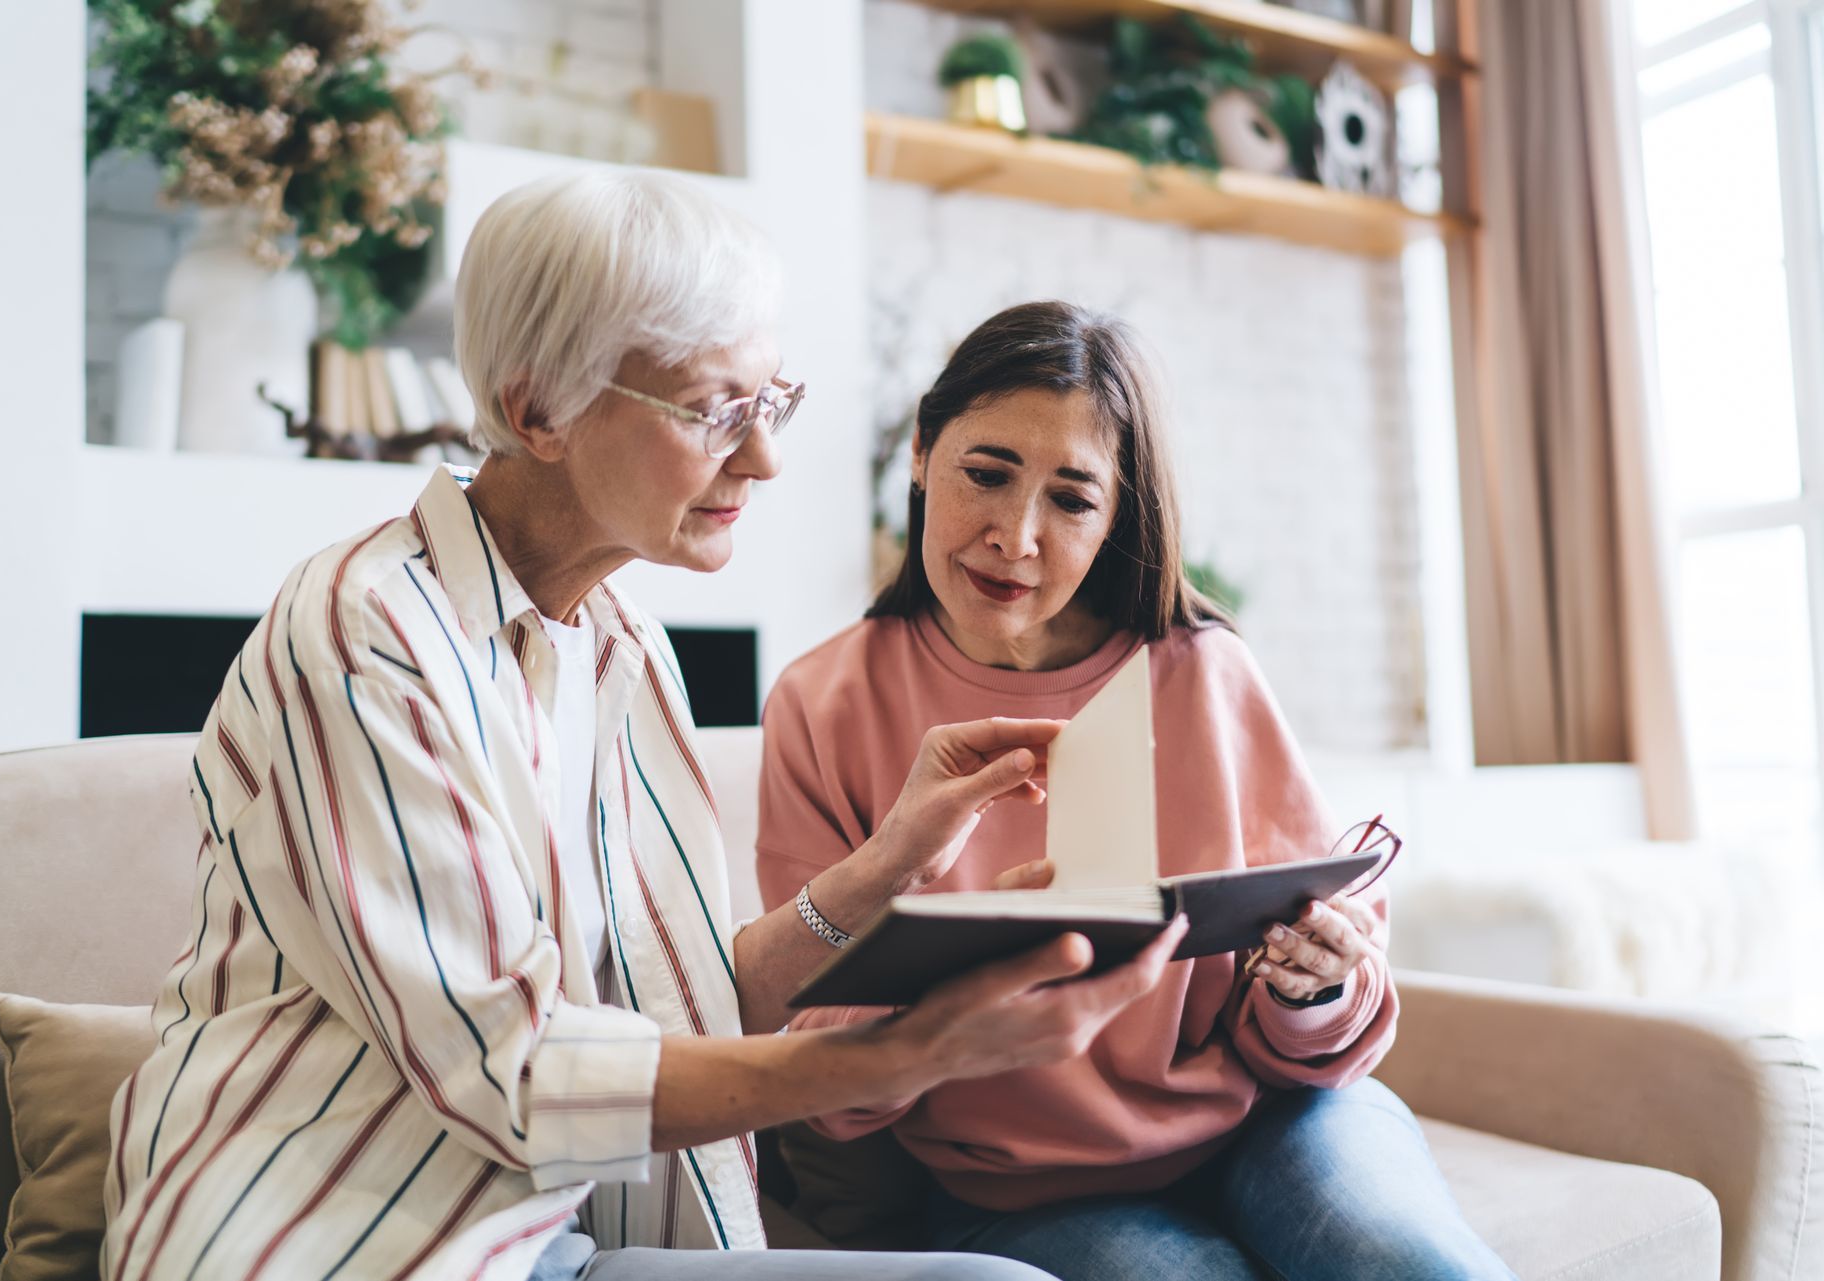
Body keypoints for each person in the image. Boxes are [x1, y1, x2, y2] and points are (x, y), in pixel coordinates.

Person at [101, 177, 1185, 1281]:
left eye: (772, 403)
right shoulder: (364, 633)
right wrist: (902, 1055)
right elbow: (519, 1076)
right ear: (540, 415)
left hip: (550, 1243)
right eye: (717, 410)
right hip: (331, 1249)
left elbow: (677, 999)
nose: (762, 459)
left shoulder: (622, 647)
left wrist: (887, 870)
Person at [756, 301, 1518, 1280]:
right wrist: (945, 958)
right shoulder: (823, 703)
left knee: (1412, 1262)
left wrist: (1315, 983)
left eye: (1072, 499)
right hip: (1025, 1184)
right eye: (985, 474)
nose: (1015, 536)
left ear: (1117, 515)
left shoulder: (1205, 673)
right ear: (919, 453)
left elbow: (1315, 1015)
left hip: (1274, 1121)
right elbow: (826, 1079)